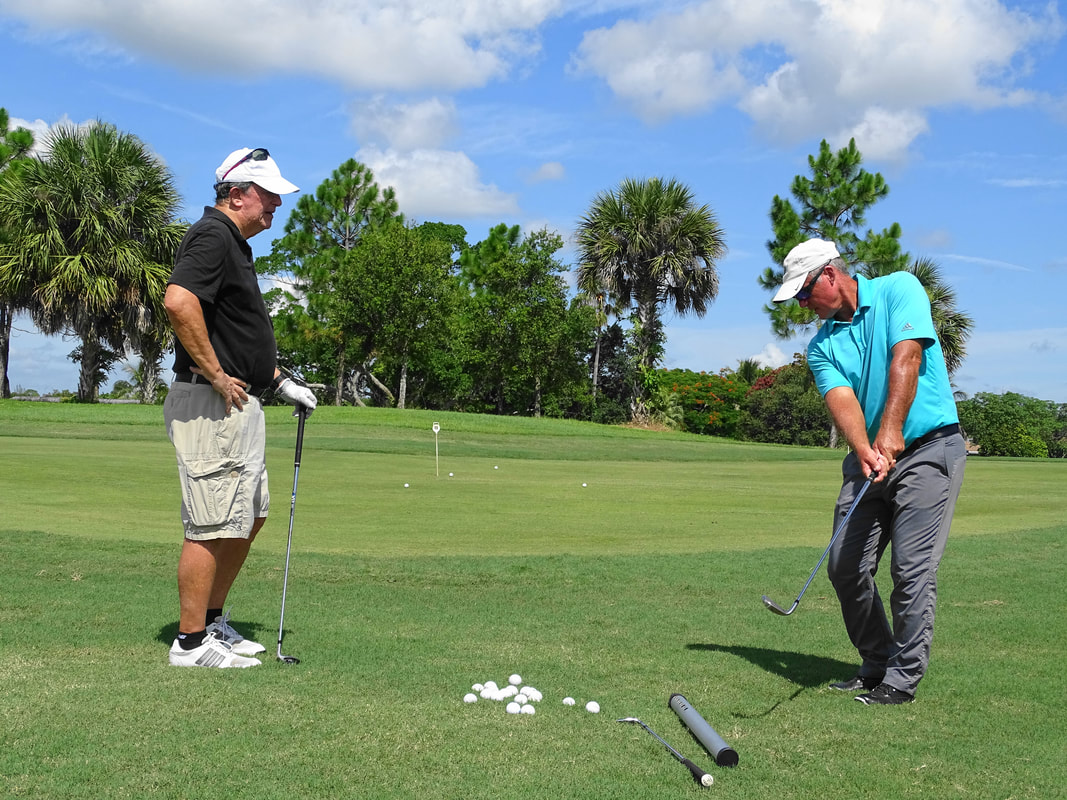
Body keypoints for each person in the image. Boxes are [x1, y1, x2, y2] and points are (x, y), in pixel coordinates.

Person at [773, 238, 966, 705]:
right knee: (844, 566)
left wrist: (891, 431)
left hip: (928, 450)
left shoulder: (899, 288)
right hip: (870, 459)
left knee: (911, 570)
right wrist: (864, 447)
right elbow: (840, 398)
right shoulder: (822, 345)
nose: (802, 304)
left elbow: (908, 357)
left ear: (830, 275)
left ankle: (901, 681)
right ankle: (876, 661)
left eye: (803, 293)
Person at [163, 147, 317, 668]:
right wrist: (215, 373)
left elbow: (237, 336)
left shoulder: (235, 245)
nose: (276, 204)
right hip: (210, 403)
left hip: (239, 401)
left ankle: (211, 622)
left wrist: (280, 382)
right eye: (267, 195)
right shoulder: (212, 235)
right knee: (210, 522)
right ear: (236, 195)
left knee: (246, 516)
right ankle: (190, 644)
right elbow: (179, 301)